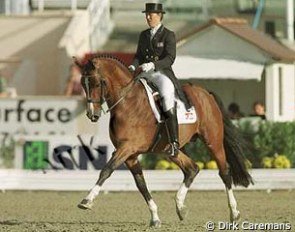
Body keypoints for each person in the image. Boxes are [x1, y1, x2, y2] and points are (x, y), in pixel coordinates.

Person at [128, 3, 189, 157]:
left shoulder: (168, 34)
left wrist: (153, 64)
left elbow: (170, 58)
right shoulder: (143, 35)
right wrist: (133, 67)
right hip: (145, 73)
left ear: (159, 16)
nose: (148, 17)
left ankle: (174, 142)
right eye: (147, 14)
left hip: (162, 73)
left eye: (151, 14)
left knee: (167, 98)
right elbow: (138, 56)